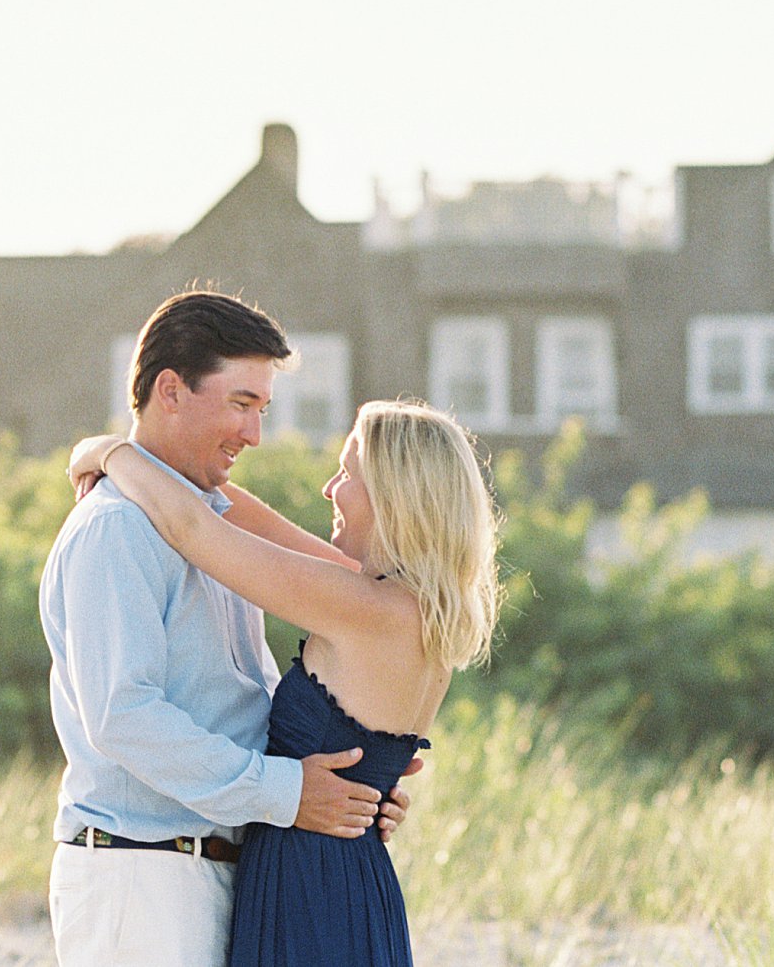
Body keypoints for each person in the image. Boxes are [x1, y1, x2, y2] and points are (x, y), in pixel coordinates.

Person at [39, 290, 411, 967]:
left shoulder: (210, 529)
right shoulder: (117, 528)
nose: (254, 435)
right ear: (171, 390)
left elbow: (241, 695)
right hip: (143, 877)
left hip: (222, 868)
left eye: (261, 410)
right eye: (242, 404)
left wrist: (355, 778)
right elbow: (124, 716)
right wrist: (291, 793)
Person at [69, 397, 501, 967]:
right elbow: (240, 517)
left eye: (347, 474)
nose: (329, 489)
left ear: (396, 496)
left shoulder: (366, 608)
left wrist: (108, 451)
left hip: (310, 883)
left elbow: (192, 526)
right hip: (346, 874)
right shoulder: (409, 608)